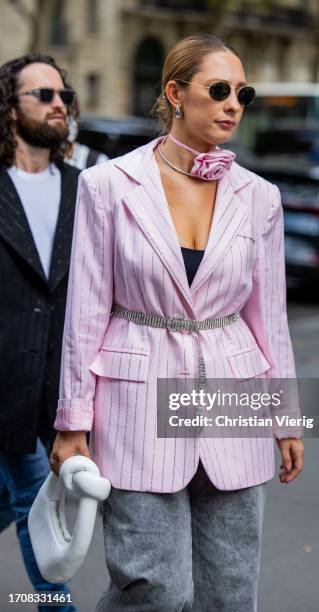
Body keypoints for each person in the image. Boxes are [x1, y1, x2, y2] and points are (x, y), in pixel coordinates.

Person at [50, 34, 305, 611]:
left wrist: (285, 417)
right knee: (153, 589)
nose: (233, 104)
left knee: (231, 592)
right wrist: (72, 422)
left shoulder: (260, 197)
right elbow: (85, 311)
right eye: (218, 90)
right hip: (135, 402)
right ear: (175, 93)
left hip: (234, 399)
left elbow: (271, 318)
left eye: (243, 93)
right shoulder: (108, 185)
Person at [0, 53, 79, 611]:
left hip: (53, 388)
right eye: (44, 96)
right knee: (35, 504)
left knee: (17, 500)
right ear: (9, 109)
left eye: (64, 97)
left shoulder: (88, 188)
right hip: (2, 379)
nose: (59, 106)